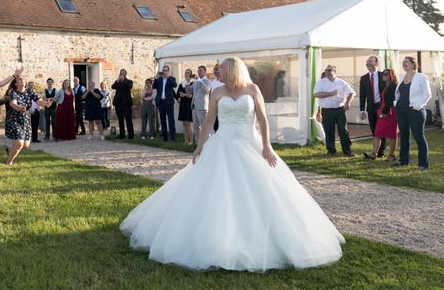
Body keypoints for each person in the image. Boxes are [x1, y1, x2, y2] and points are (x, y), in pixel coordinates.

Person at [120, 57, 344, 272]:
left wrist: (266, 146)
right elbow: (208, 121)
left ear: (233, 71)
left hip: (250, 143)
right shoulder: (217, 91)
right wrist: (200, 145)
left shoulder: (253, 89)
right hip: (222, 143)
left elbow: (263, 119)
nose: (219, 74)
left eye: (223, 71)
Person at [394, 56, 431, 169]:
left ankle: (423, 164)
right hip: (401, 110)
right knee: (403, 135)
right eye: (403, 62)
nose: (404, 64)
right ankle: (404, 160)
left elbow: (427, 94)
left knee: (419, 137)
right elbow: (399, 93)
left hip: (415, 111)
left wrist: (418, 106)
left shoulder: (421, 77)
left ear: (413, 64)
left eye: (406, 62)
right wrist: (396, 103)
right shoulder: (401, 76)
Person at [313, 65, 356, 157]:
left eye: (329, 70)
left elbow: (352, 92)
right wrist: (330, 93)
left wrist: (347, 102)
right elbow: (316, 94)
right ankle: (331, 150)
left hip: (340, 109)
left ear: (335, 71)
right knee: (329, 131)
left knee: (343, 130)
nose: (327, 72)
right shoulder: (320, 82)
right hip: (327, 110)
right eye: (326, 70)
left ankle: (347, 150)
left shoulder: (341, 82)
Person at [364, 69, 398, 161]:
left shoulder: (394, 86)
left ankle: (391, 155)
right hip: (383, 111)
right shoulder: (384, 86)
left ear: (391, 75)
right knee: (377, 132)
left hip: (390, 112)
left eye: (386, 74)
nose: (383, 75)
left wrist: (384, 112)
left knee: (392, 135)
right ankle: (374, 153)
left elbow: (391, 100)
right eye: (383, 74)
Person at [359, 55, 386, 157]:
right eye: (367, 61)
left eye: (371, 61)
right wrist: (362, 110)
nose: (368, 63)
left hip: (381, 107)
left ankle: (381, 152)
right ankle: (375, 150)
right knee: (374, 130)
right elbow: (362, 95)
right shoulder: (364, 78)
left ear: (377, 64)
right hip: (370, 108)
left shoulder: (382, 75)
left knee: (382, 129)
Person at [153, 65, 178, 141]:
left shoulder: (171, 78)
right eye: (163, 71)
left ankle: (172, 137)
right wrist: (156, 78)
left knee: (171, 120)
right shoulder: (159, 79)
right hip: (160, 102)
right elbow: (154, 86)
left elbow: (175, 85)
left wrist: (168, 77)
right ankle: (164, 137)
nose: (164, 72)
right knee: (162, 120)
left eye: (166, 70)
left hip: (169, 102)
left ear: (168, 71)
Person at [190, 65, 212, 145]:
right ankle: (198, 144)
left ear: (205, 72)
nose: (199, 72)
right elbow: (190, 90)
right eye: (198, 70)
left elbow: (206, 90)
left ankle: (207, 144)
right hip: (194, 107)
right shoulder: (196, 81)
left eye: (201, 70)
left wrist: (200, 81)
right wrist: (187, 82)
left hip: (202, 107)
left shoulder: (208, 81)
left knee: (204, 127)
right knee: (196, 127)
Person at [111, 69, 134, 139]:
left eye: (123, 73)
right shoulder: (118, 82)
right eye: (121, 73)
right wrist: (117, 80)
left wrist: (123, 80)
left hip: (126, 103)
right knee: (120, 119)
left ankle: (130, 134)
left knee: (128, 119)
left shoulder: (129, 81)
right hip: (118, 103)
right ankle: (122, 134)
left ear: (126, 74)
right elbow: (113, 86)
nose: (122, 75)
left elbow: (128, 87)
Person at [177, 69, 194, 145]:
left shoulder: (192, 83)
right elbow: (178, 94)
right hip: (182, 105)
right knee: (184, 123)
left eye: (188, 73)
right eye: (185, 72)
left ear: (190, 74)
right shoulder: (181, 84)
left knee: (188, 123)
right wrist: (181, 96)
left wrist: (184, 95)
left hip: (189, 105)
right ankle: (186, 140)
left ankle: (191, 141)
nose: (186, 74)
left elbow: (191, 95)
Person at [210, 63, 224, 132]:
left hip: (222, 107)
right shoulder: (213, 81)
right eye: (214, 69)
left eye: (217, 69)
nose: (215, 71)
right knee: (215, 127)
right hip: (214, 108)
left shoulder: (225, 81)